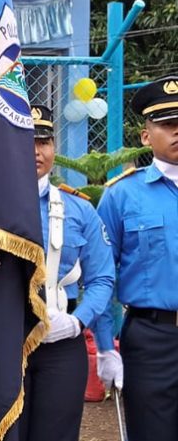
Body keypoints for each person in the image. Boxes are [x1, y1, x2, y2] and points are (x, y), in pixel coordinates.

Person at [0, 105, 115, 441]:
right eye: (25, 141)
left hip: (60, 340)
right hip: (2, 339)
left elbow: (101, 278)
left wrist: (79, 320)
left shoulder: (79, 210)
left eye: (44, 141)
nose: (36, 151)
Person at [95, 75, 178, 441]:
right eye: (168, 124)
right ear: (146, 136)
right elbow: (100, 275)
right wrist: (103, 348)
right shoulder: (121, 196)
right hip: (152, 338)